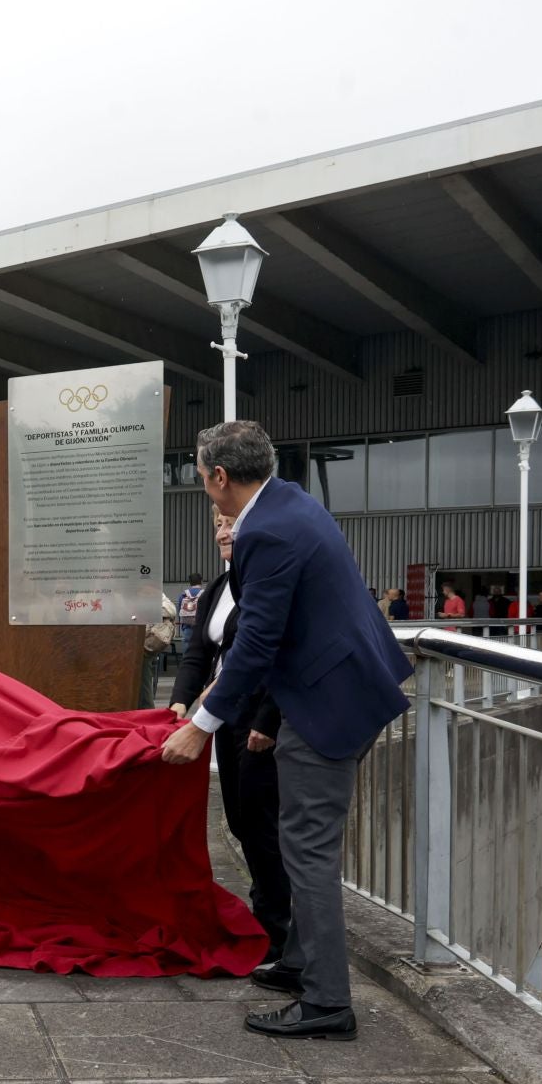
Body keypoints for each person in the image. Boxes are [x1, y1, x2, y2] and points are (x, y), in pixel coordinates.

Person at [161, 420, 412, 1042]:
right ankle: (301, 961)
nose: (204, 490)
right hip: (346, 688)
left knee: (307, 848)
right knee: (301, 839)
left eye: (201, 478)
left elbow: (254, 644)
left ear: (220, 476)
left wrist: (200, 724)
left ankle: (327, 1002)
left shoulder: (266, 532)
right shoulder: (292, 501)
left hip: (328, 704)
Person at [169, 511, 291, 962]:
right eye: (217, 523)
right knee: (239, 819)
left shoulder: (263, 583)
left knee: (261, 824)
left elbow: (276, 652)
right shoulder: (220, 589)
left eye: (231, 523)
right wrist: (179, 704)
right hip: (225, 715)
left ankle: (276, 933)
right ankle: (269, 923)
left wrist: (267, 720)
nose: (222, 531)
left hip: (258, 719)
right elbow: (198, 651)